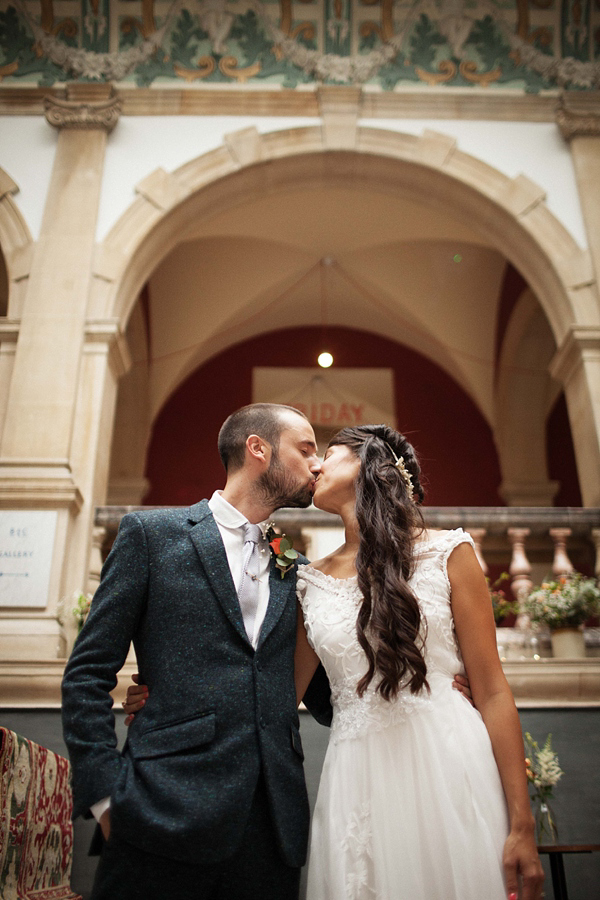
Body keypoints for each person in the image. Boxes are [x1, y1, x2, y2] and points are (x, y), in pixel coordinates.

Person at [62, 403, 324, 900]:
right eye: (306, 448)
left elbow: (326, 692)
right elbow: (88, 673)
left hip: (272, 825)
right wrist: (104, 797)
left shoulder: (295, 565)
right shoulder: (151, 537)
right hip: (159, 809)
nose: (317, 463)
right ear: (258, 449)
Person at [292, 424, 544, 900]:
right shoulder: (309, 583)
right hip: (356, 781)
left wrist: (522, 824)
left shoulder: (450, 552)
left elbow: (491, 691)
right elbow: (276, 697)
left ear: (371, 464)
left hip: (450, 765)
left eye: (329, 453)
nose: (316, 466)